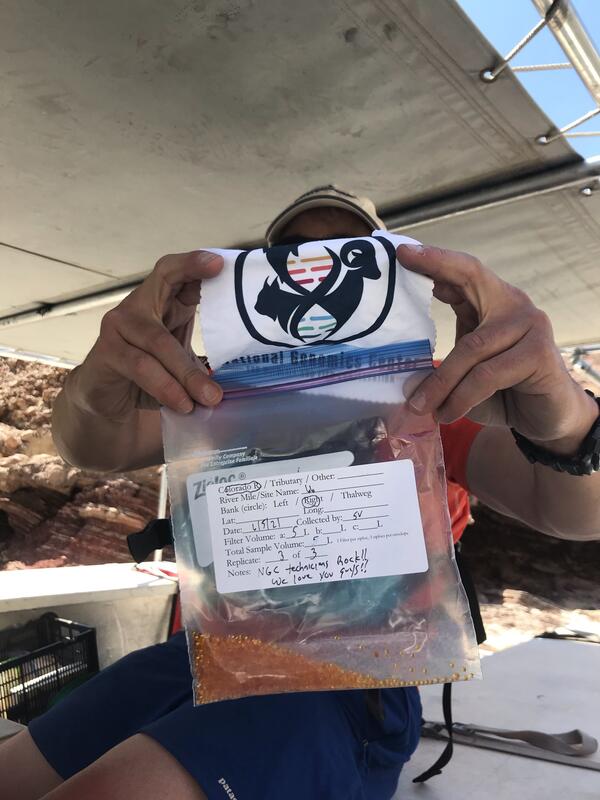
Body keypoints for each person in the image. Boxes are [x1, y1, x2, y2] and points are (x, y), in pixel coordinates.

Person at [1, 186, 599, 800]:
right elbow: (94, 445)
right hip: (206, 657)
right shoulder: (219, 397)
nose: (316, 268)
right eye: (291, 253)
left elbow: (576, 511)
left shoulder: (426, 400)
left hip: (354, 681)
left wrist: (568, 422)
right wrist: (92, 387)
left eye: (349, 252)